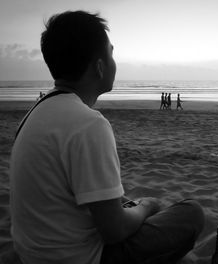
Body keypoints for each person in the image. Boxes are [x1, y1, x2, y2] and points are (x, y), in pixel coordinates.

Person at [10, 11, 204, 264]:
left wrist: (130, 206)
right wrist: (146, 206)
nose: (115, 61)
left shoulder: (34, 114)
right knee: (192, 213)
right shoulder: (88, 123)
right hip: (82, 257)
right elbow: (115, 231)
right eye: (111, 53)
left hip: (32, 254)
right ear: (100, 67)